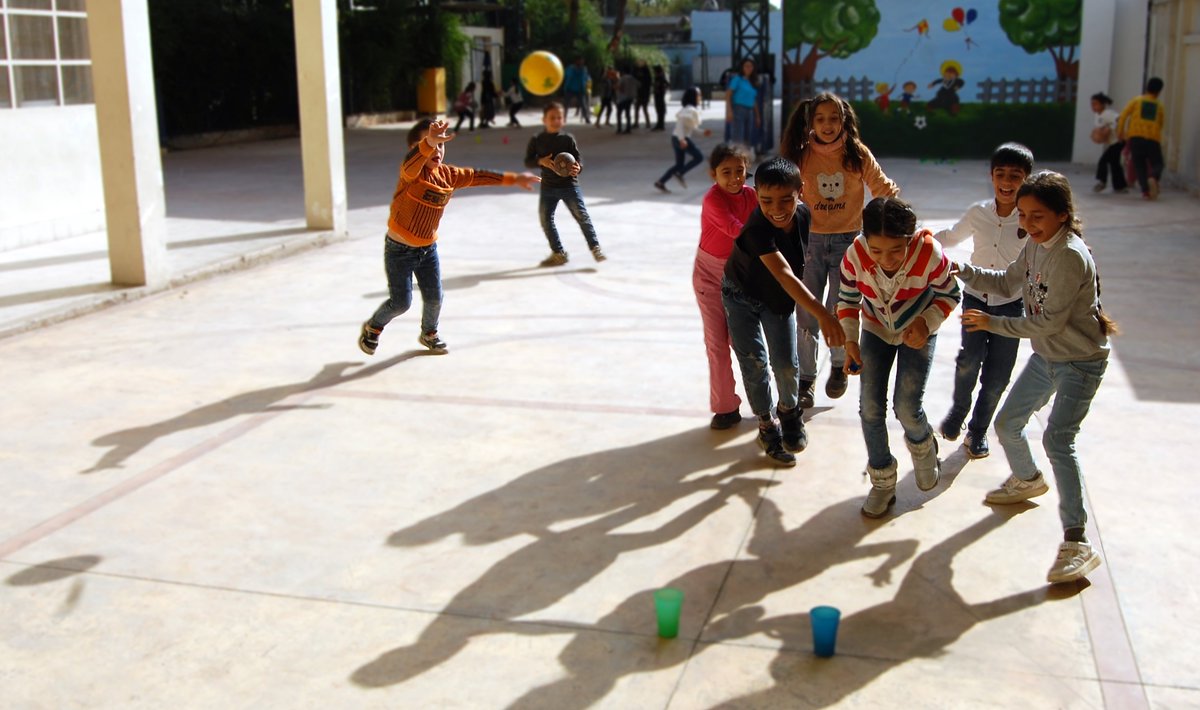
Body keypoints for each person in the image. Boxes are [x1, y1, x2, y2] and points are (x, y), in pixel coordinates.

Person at [955, 171, 1117, 584]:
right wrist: (958, 268)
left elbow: (1045, 322)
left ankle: (1077, 541)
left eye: (1037, 216)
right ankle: (1028, 479)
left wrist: (992, 323)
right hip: (1048, 357)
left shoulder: (1068, 255)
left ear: (1063, 215)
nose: (1027, 223)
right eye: (1023, 215)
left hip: (1081, 361)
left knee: (1058, 439)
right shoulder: (1036, 245)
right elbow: (1007, 281)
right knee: (1008, 424)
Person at [359, 119, 540, 356]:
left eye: (441, 145)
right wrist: (429, 141)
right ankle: (374, 326)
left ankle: (429, 333)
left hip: (427, 249)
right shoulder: (410, 173)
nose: (436, 150)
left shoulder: (449, 175)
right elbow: (414, 161)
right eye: (430, 144)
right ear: (414, 149)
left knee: (435, 298)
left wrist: (514, 179)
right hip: (399, 250)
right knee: (401, 303)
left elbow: (477, 176)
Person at [838, 197, 961, 518]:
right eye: (876, 250)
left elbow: (951, 293)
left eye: (895, 250)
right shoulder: (855, 255)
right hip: (875, 330)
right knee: (870, 408)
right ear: (865, 240)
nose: (886, 260)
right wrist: (851, 341)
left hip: (917, 332)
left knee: (907, 406)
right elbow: (847, 298)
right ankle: (882, 483)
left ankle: (923, 447)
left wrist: (925, 322)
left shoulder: (929, 253)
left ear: (909, 239)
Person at [722, 157, 846, 466]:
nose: (776, 208)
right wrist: (824, 314)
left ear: (801, 192)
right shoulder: (756, 231)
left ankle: (790, 412)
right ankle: (766, 425)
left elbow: (794, 268)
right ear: (756, 194)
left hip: (777, 299)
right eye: (766, 201)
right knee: (754, 364)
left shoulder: (803, 215)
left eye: (785, 200)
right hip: (741, 297)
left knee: (787, 364)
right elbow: (785, 274)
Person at [780, 92, 899, 409]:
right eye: (820, 119)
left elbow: (882, 187)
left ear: (844, 120)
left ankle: (837, 365)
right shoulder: (801, 156)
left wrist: (898, 218)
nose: (827, 125)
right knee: (806, 312)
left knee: (839, 309)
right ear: (811, 123)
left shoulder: (856, 154)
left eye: (834, 118)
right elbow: (783, 191)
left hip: (849, 243)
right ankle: (806, 378)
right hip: (809, 243)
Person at [934, 142, 1034, 459]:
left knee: (997, 376)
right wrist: (917, 239)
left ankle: (977, 431)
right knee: (969, 360)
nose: (1006, 182)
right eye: (1000, 174)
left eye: (1015, 176)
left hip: (1011, 306)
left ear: (1026, 179)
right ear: (991, 176)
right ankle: (959, 411)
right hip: (975, 298)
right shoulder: (978, 213)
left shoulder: (1031, 219)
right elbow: (950, 236)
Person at [695, 143, 757, 430]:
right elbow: (737, 230)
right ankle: (725, 407)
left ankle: (763, 402)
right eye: (726, 172)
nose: (734, 178)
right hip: (708, 275)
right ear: (713, 174)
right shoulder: (713, 200)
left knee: (743, 342)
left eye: (739, 171)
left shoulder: (753, 196)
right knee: (717, 343)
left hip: (741, 274)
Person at [524, 102, 606, 267]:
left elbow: (578, 159)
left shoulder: (567, 139)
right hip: (548, 187)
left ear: (564, 120)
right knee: (546, 219)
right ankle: (558, 253)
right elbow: (528, 161)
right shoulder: (537, 139)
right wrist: (541, 161)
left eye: (559, 117)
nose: (556, 120)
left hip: (569, 185)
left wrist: (578, 167)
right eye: (552, 117)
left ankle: (595, 247)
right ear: (544, 120)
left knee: (582, 216)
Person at [1116, 76, 1166, 200]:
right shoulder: (1159, 105)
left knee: (1139, 164)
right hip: (1153, 138)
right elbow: (1160, 122)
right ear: (1159, 91)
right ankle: (1153, 177)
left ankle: (1145, 192)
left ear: (1147, 87)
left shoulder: (1137, 101)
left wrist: (1120, 131)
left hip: (1136, 137)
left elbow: (1123, 115)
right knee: (1158, 163)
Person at [654, 86, 706, 193]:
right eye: (699, 95)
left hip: (676, 137)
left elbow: (690, 126)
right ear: (693, 97)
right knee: (699, 157)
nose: (700, 97)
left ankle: (661, 182)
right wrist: (682, 139)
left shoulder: (688, 109)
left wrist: (702, 132)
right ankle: (680, 173)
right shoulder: (689, 110)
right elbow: (681, 124)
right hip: (680, 138)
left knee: (679, 164)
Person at [1089, 92, 1126, 193]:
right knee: (1114, 163)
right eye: (1092, 104)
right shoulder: (1097, 115)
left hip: (1119, 141)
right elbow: (1100, 129)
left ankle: (1102, 182)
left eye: (1095, 104)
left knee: (1103, 160)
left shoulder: (1108, 114)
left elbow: (1119, 119)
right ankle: (1120, 186)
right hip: (1112, 142)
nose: (1093, 106)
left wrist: (1110, 128)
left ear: (1102, 104)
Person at [725, 58, 759, 145]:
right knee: (738, 136)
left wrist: (757, 116)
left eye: (751, 66)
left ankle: (744, 156)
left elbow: (754, 100)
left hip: (750, 110)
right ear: (742, 67)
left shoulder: (753, 81)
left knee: (747, 137)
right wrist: (729, 111)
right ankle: (736, 156)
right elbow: (728, 95)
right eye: (746, 66)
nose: (749, 68)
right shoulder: (737, 79)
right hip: (738, 109)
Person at [563, 57, 591, 124]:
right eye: (580, 61)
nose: (581, 63)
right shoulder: (570, 68)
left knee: (583, 105)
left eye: (582, 61)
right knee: (566, 104)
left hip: (580, 90)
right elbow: (565, 75)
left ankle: (587, 118)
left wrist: (588, 88)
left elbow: (587, 78)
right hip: (570, 88)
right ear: (576, 61)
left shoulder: (584, 69)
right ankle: (563, 118)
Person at [615, 67, 638, 135]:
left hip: (623, 98)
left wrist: (617, 88)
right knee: (627, 113)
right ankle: (628, 128)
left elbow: (619, 87)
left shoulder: (623, 78)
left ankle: (619, 128)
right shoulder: (633, 78)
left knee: (619, 113)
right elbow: (639, 85)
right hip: (630, 97)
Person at [634, 59, 653, 129]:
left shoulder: (641, 74)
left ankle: (638, 123)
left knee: (639, 109)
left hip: (642, 94)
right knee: (641, 109)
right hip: (643, 94)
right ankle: (646, 123)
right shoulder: (646, 74)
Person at [652, 65, 669, 131]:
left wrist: (661, 90)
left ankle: (660, 124)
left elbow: (667, 84)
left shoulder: (660, 77)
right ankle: (660, 124)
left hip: (659, 96)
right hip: (658, 95)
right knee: (659, 110)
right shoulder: (660, 77)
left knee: (660, 110)